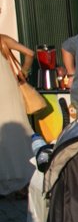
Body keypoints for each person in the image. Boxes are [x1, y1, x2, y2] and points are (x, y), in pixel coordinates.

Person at [1, 23, 35, 195]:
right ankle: (24, 178)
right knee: (15, 133)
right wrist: (24, 71)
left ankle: (6, 178)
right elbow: (30, 53)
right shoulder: (2, 39)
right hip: (7, 90)